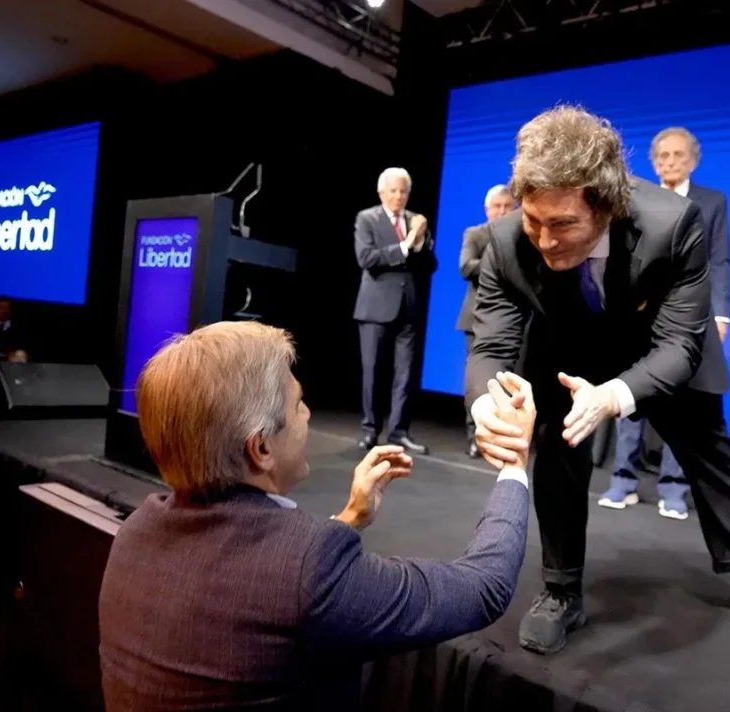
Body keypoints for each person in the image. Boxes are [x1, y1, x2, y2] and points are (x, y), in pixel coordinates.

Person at [467, 106, 730, 655]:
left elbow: (678, 345)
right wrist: (487, 403)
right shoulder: (507, 242)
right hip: (571, 347)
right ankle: (561, 590)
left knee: (710, 458)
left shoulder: (672, 223)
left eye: (563, 225)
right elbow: (492, 347)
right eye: (534, 221)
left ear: (606, 207)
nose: (545, 240)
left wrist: (617, 395)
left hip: (659, 346)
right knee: (556, 445)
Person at [99, 321, 536, 712]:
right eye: (299, 405)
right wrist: (515, 465)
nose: (307, 414)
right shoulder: (310, 570)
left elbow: (254, 586)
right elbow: (484, 588)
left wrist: (349, 517)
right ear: (262, 448)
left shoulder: (136, 531)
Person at [600, 127, 730, 520]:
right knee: (629, 396)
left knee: (685, 405)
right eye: (662, 156)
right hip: (640, 318)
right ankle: (623, 480)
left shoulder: (711, 202)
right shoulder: (635, 199)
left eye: (677, 155)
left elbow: (721, 259)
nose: (669, 162)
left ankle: (674, 489)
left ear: (693, 159)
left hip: (690, 316)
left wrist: (721, 314)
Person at [353, 167, 436, 455]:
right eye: (393, 191)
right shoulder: (367, 219)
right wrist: (405, 245)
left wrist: (422, 243)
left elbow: (430, 266)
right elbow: (366, 258)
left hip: (409, 307)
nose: (399, 196)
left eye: (403, 191)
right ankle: (370, 430)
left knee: (406, 374)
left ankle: (399, 431)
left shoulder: (417, 221)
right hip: (376, 306)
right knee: (373, 371)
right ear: (381, 193)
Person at [457, 184, 516, 457]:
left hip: (514, 319)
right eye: (497, 207)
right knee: (478, 380)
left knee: (510, 381)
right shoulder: (476, 234)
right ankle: (476, 436)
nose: (503, 212)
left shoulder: (522, 236)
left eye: (508, 206)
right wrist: (499, 263)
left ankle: (507, 435)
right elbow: (466, 267)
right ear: (487, 210)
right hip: (477, 318)